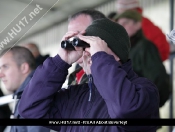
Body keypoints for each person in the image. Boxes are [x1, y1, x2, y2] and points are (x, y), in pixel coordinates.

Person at [19, 18, 159, 132]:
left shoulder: (143, 90)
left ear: (116, 55)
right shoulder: (75, 96)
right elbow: (30, 109)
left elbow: (125, 111)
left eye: (93, 48)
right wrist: (60, 62)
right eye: (84, 48)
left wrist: (100, 58)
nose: (86, 53)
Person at [115, 10, 171, 108]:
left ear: (138, 25)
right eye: (119, 24)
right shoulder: (128, 49)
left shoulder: (145, 47)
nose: (122, 27)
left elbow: (159, 80)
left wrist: (147, 106)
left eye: (125, 23)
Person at [0, 46, 50, 132]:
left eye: (6, 67)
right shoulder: (23, 96)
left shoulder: (35, 97)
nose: (1, 75)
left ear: (24, 68)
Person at [67, 9, 106, 85]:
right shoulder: (76, 76)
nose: (73, 42)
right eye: (70, 36)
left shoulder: (112, 73)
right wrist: (60, 62)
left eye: (80, 34)